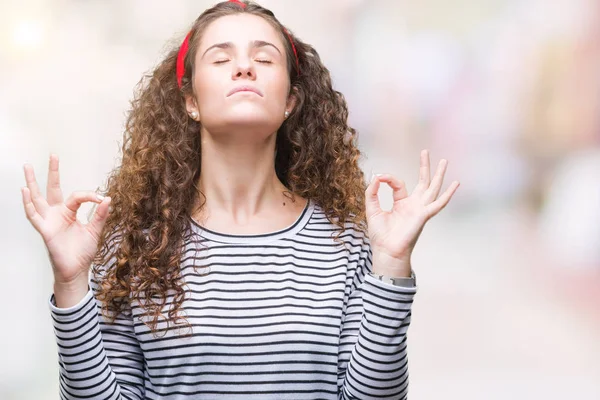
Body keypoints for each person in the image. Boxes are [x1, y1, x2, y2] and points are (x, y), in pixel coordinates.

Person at [21, 1, 459, 398]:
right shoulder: (134, 247)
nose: (245, 67)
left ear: (290, 100)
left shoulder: (347, 244)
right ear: (190, 100)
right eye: (222, 58)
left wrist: (392, 263)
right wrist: (71, 283)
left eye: (265, 58)